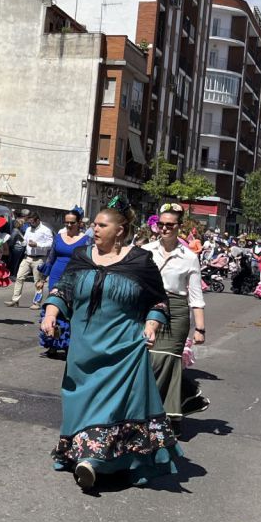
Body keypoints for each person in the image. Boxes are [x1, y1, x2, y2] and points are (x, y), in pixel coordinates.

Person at [40, 198, 181, 490]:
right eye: (94, 224)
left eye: (102, 225)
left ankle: (91, 460)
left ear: (120, 230)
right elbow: (63, 290)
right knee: (81, 403)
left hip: (123, 349)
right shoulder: (81, 256)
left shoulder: (140, 261)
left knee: (111, 409)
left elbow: (158, 300)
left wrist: (152, 325)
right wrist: (51, 314)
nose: (95, 228)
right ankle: (89, 456)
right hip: (83, 349)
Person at [143, 203, 209, 427]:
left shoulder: (189, 257)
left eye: (169, 225)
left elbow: (196, 296)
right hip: (148, 307)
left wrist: (199, 328)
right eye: (160, 224)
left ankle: (160, 418)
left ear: (178, 227)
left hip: (177, 311)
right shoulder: (146, 251)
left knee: (166, 360)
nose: (164, 228)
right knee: (149, 361)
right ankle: (177, 407)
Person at [37, 208, 88, 359]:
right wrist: (42, 278)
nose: (68, 225)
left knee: (68, 312)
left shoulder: (86, 240)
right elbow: (51, 258)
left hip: (74, 278)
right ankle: (52, 344)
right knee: (53, 309)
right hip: (56, 276)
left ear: (79, 223)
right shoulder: (59, 237)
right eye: (66, 223)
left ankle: (66, 345)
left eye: (72, 223)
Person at [8, 213, 53, 307]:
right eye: (29, 222)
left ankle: (36, 303)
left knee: (38, 282)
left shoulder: (46, 230)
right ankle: (15, 300)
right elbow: (25, 242)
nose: (30, 224)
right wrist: (20, 239)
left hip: (39, 259)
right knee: (19, 277)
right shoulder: (28, 229)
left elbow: (50, 244)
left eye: (32, 222)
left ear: (37, 220)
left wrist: (37, 245)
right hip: (27, 257)